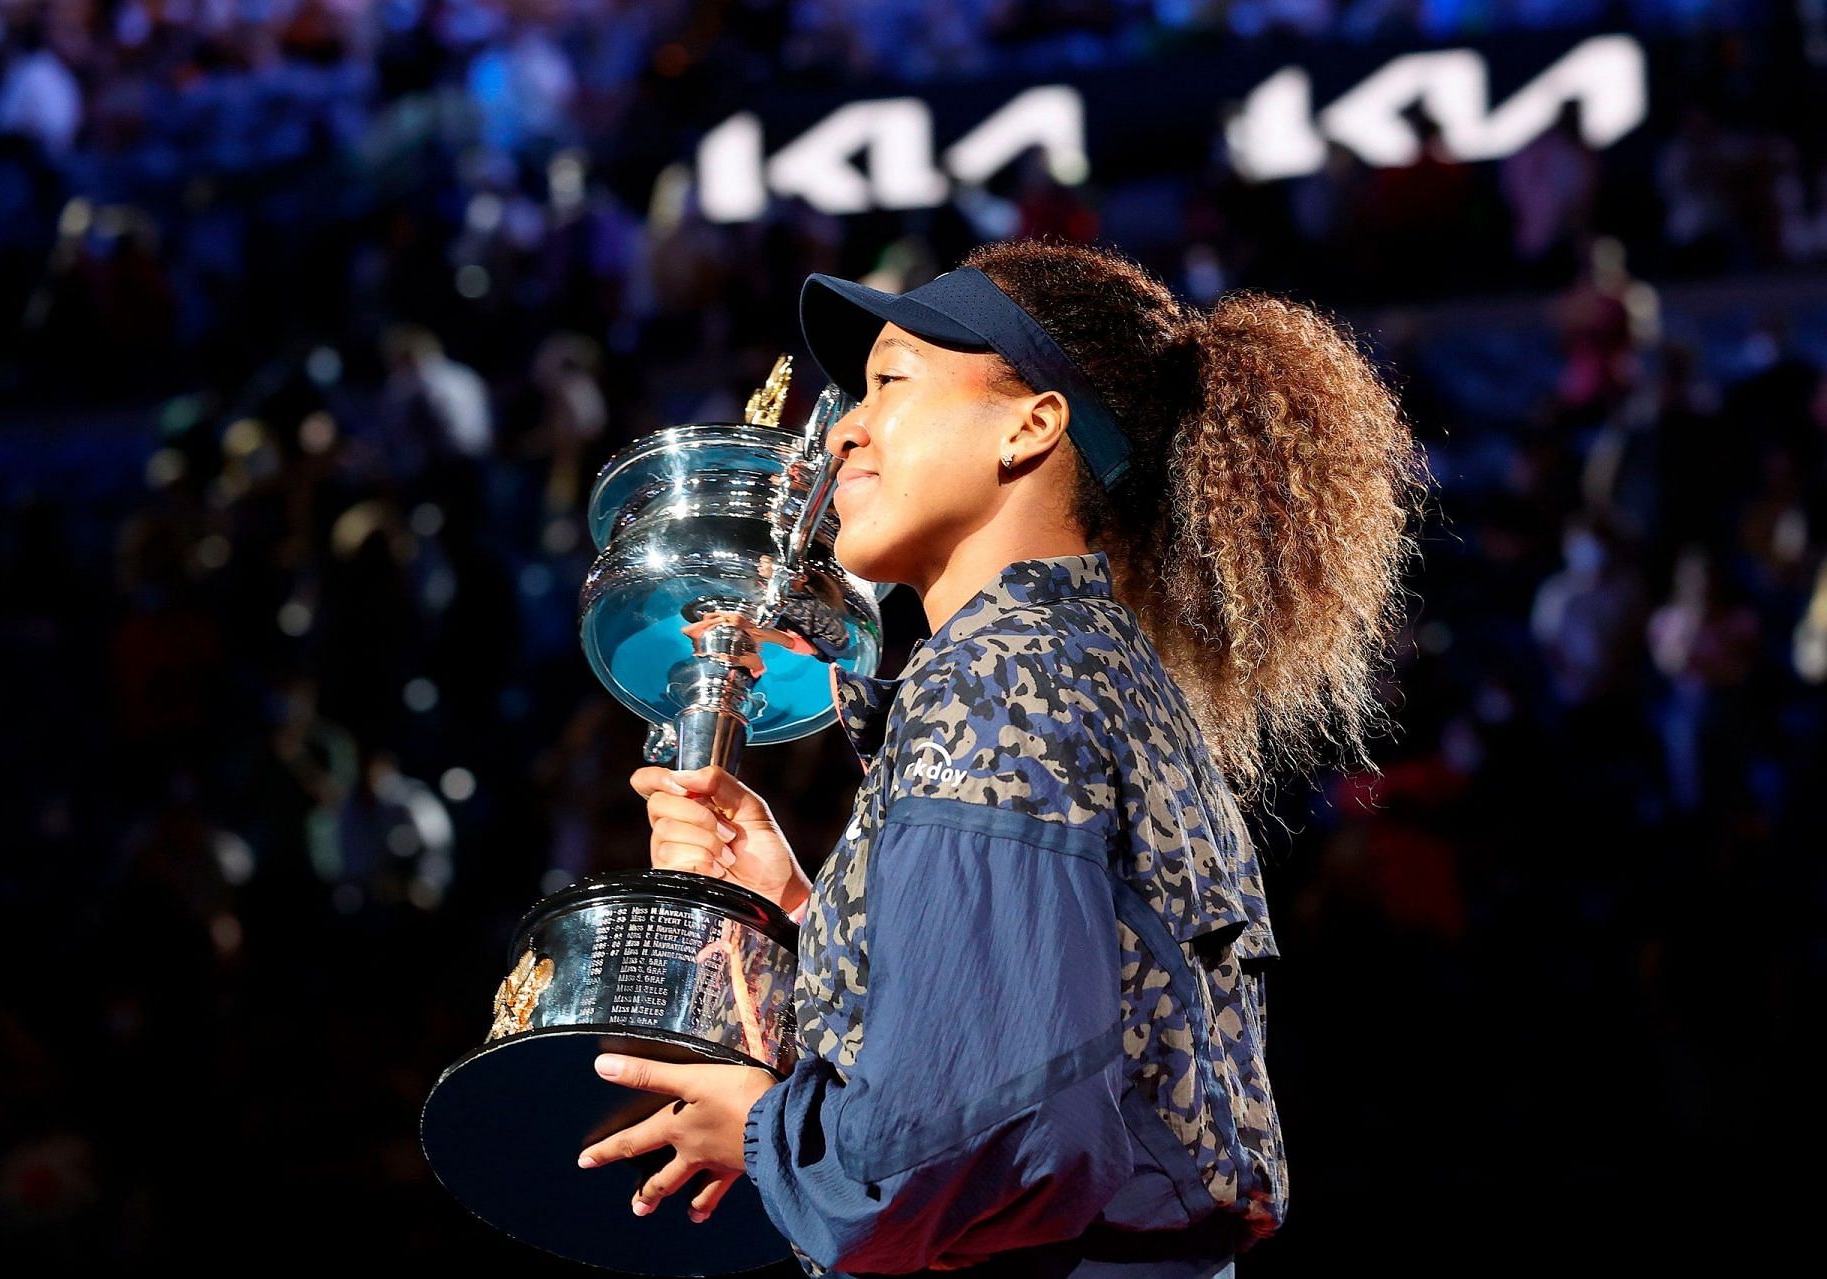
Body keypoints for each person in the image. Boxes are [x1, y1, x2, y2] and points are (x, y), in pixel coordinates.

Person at [574, 239, 1427, 1277]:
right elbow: (1039, 1029)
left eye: (890, 383)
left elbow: (985, 1129)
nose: (845, 430)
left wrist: (761, 1125)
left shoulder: (998, 675)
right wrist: (806, 911)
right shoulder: (1084, 664)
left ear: (1030, 426)